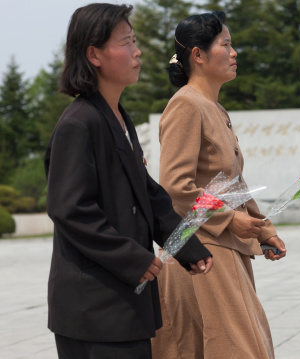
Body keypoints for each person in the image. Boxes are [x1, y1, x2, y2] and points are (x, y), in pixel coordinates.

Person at [44, 4, 212, 359]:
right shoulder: (79, 123)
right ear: (94, 54)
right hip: (93, 307)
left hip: (123, 300)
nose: (137, 51)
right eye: (126, 42)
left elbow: (150, 196)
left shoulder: (119, 117)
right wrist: (133, 258)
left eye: (135, 40)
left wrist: (186, 246)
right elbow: (69, 209)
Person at [150, 10, 287, 359]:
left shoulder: (214, 108)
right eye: (225, 44)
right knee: (235, 348)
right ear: (198, 54)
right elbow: (175, 187)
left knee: (239, 344)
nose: (234, 52)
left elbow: (232, 183)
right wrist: (230, 219)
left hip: (222, 244)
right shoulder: (185, 105)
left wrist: (262, 228)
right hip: (200, 248)